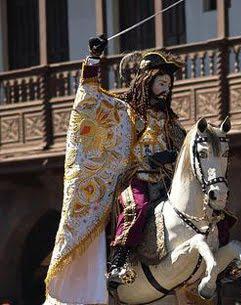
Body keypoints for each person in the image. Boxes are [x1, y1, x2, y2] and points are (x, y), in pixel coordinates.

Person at [43, 35, 186, 305]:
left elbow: (183, 146)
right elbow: (90, 98)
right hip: (136, 177)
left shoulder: (170, 120)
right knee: (139, 206)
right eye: (161, 83)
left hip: (166, 181)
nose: (166, 89)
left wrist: (175, 154)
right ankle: (119, 262)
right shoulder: (125, 111)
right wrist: (94, 58)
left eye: (169, 84)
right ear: (147, 81)